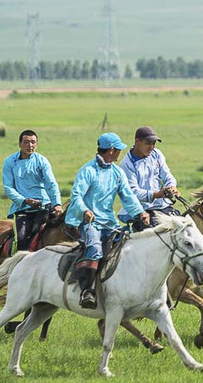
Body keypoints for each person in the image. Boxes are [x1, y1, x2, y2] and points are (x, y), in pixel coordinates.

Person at [64, 132, 148, 309]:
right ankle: (87, 291)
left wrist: (140, 213)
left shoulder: (117, 173)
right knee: (94, 248)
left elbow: (128, 197)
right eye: (118, 150)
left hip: (109, 222)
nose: (119, 153)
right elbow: (76, 196)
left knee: (128, 246)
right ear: (111, 150)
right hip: (88, 222)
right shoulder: (87, 171)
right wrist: (85, 210)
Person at [2, 129, 62, 251]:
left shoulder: (42, 161)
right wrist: (25, 201)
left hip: (44, 206)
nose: (30, 145)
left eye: (33, 142)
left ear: (37, 144)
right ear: (20, 144)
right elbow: (8, 187)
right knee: (23, 241)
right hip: (23, 209)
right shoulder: (10, 162)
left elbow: (51, 183)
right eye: (26, 142)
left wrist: (57, 204)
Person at [118, 126, 181, 231]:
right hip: (141, 209)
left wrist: (171, 186)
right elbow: (133, 192)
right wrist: (157, 194)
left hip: (161, 205)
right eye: (148, 143)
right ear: (137, 141)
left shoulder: (156, 154)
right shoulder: (126, 164)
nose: (151, 147)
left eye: (154, 143)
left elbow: (167, 175)